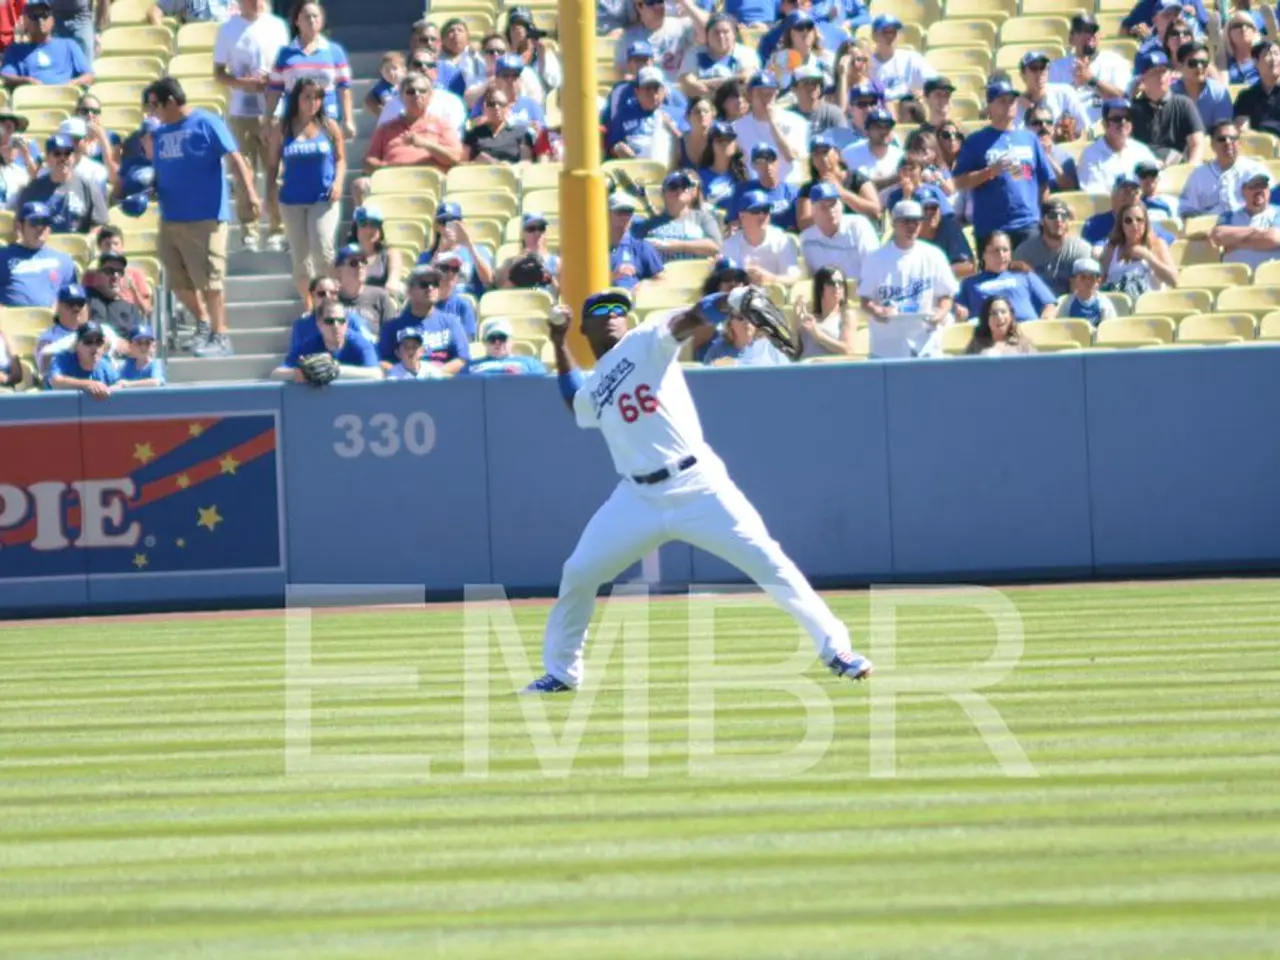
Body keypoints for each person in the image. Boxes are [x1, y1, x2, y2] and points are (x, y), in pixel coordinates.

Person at [523, 287, 874, 693]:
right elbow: (574, 402)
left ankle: (837, 650)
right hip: (637, 498)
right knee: (579, 572)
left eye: (620, 307)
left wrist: (731, 300)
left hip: (697, 483)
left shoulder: (645, 341)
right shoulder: (596, 385)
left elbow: (689, 318)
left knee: (768, 560)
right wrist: (556, 340)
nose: (614, 313)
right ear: (585, 327)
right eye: (602, 308)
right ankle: (563, 672)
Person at [150, 77, 261, 358]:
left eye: (155, 105)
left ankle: (221, 336)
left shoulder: (206, 122)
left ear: (171, 101)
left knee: (210, 280)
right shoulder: (161, 133)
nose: (152, 111)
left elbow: (235, 158)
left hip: (206, 217)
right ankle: (203, 324)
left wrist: (250, 193)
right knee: (178, 281)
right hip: (171, 217)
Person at [214, 0, 291, 252]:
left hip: (275, 110)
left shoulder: (277, 26)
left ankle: (277, 228)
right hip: (241, 110)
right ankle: (249, 229)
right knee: (243, 171)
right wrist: (242, 83)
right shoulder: (228, 29)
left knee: (275, 172)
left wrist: (272, 79)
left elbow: (288, 66)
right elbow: (219, 72)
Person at [267, 76, 344, 308]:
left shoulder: (329, 126)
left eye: (318, 97)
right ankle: (309, 305)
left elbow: (340, 159)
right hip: (292, 199)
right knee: (301, 258)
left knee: (323, 248)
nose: (313, 102)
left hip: (323, 197)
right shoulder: (284, 128)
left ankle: (331, 300)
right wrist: (269, 195)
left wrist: (338, 182)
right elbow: (272, 164)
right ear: (297, 99)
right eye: (307, 97)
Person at [952, 80, 1053, 250]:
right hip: (991, 227)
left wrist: (1041, 215)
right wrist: (989, 172)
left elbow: (1043, 181)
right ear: (990, 106)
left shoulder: (1030, 139)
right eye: (1002, 101)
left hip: (1027, 224)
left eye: (1012, 100)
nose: (1008, 105)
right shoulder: (976, 141)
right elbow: (959, 182)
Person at [858, 200, 958, 358]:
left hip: (926, 345)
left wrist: (940, 313)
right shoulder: (875, 258)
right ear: (894, 223)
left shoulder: (934, 255)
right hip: (887, 347)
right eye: (906, 222)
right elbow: (865, 299)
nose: (912, 227)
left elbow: (946, 295)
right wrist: (877, 311)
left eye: (916, 222)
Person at [267, 1, 355, 139]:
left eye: (315, 16)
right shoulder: (285, 54)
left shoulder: (335, 51)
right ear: (297, 21)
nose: (312, 20)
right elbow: (275, 90)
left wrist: (348, 120)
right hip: (294, 122)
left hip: (327, 120)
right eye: (307, 16)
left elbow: (344, 89)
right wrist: (267, 121)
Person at [361, 73, 464, 186]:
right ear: (401, 97)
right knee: (361, 184)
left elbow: (455, 158)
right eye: (411, 92)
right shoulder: (386, 128)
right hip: (394, 181)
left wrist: (426, 145)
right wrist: (389, 168)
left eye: (422, 91)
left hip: (429, 181)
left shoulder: (442, 125)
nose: (416, 95)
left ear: (430, 96)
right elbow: (368, 162)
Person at [377, 265, 469, 374]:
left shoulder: (451, 322)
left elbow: (462, 359)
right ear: (409, 291)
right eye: (424, 284)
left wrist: (432, 374)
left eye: (434, 284)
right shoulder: (392, 327)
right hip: (405, 385)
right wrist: (407, 374)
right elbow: (382, 362)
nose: (430, 288)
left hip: (442, 384)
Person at [956, 231, 1058, 322]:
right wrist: (961, 313)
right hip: (988, 336)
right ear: (983, 254)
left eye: (1005, 250)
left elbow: (1050, 304)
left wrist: (1045, 320)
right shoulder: (969, 283)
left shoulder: (1024, 275)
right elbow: (959, 311)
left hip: (1026, 331)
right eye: (996, 250)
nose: (1001, 255)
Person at [1049, 14, 1132, 125]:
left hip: (1105, 132)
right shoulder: (1056, 67)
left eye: (1093, 31)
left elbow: (1124, 98)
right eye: (1084, 31)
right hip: (1070, 135)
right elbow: (1050, 104)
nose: (1090, 35)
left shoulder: (1114, 62)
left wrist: (1092, 80)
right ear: (1071, 38)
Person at [17, 132, 107, 235]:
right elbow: (20, 225)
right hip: (42, 246)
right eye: (57, 153)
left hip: (77, 248)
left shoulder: (89, 186)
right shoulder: (32, 189)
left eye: (67, 153)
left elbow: (100, 223)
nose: (63, 158)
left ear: (73, 157)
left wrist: (89, 240)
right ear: (47, 158)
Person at [274, 298, 382, 381]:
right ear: (319, 324)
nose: (336, 326)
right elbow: (276, 374)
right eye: (330, 321)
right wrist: (300, 373)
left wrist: (335, 370)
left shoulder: (359, 343)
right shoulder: (309, 345)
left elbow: (376, 374)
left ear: (346, 323)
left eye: (341, 321)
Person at [1129, 51, 1206, 164]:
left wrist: (1190, 169)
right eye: (1155, 72)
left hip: (1177, 169)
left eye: (1164, 71)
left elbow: (1197, 143)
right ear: (1142, 78)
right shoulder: (1134, 109)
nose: (1161, 76)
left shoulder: (1183, 104)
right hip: (1144, 171)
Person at [732, 71, 808, 185]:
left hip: (788, 185)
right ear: (750, 96)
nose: (764, 99)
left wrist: (772, 123)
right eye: (760, 94)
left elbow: (791, 156)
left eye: (769, 94)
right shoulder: (737, 127)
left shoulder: (796, 121)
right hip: (756, 187)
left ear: (776, 94)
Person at [1180, 119, 1268, 216]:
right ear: (1212, 145)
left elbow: (1271, 207)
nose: (1228, 142)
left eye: (1232, 138)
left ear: (1239, 143)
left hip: (1249, 226)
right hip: (1210, 228)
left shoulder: (1255, 170)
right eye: (1222, 139)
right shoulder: (1199, 175)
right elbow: (1186, 209)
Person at [0, 201, 77, 306]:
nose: (40, 228)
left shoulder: (64, 260)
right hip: (12, 320)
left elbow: (73, 299)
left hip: (52, 320)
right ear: (20, 226)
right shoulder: (3, 256)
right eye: (34, 223)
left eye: (45, 223)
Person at [1, 1, 93, 89]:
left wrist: (71, 84)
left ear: (52, 20)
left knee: (89, 102)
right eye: (34, 16)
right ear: (25, 22)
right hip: (31, 100)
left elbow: (88, 76)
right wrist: (25, 81)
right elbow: (6, 77)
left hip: (65, 98)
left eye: (45, 15)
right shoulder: (15, 50)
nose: (40, 20)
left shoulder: (69, 45)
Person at [1077, 98, 1160, 195]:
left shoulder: (1140, 149)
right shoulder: (1090, 155)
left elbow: (1158, 179)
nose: (1123, 122)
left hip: (1145, 205)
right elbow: (1095, 196)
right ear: (1104, 124)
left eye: (1128, 118)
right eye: (1117, 119)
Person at [1014, 199, 1094, 298]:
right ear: (1042, 221)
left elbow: (1086, 290)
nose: (1059, 220)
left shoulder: (1082, 250)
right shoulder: (1024, 252)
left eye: (1064, 216)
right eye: (1052, 215)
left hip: (1069, 307)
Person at [1099, 199, 1180, 295]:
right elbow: (1101, 281)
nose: (1134, 224)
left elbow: (1174, 281)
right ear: (1121, 224)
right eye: (1128, 220)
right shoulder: (1111, 248)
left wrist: (1149, 257)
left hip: (1149, 306)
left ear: (1146, 223)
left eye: (1139, 220)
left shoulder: (1157, 245)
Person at [796, 134, 879, 227]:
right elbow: (803, 223)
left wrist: (842, 193)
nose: (822, 158)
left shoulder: (856, 178)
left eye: (825, 152)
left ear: (836, 154)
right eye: (816, 154)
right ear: (812, 160)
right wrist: (826, 214)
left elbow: (875, 211)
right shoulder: (808, 189)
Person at [799, 180, 877, 277]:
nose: (831, 210)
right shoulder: (806, 241)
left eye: (833, 204)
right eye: (824, 207)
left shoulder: (859, 227)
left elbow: (874, 267)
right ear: (813, 212)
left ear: (841, 206)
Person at [721, 188, 800, 284]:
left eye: (766, 210)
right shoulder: (730, 244)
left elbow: (793, 278)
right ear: (742, 216)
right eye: (756, 211)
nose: (762, 215)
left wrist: (770, 279)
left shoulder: (782, 241)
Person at [615, 0, 700, 87]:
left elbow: (710, 32)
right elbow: (621, 74)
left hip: (681, 93)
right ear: (639, 7)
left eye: (660, 1)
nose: (658, 6)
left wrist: (685, 3)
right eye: (651, 2)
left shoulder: (682, 26)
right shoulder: (628, 38)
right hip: (647, 94)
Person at [678, 11, 759, 99]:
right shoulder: (694, 53)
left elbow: (745, 79)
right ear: (707, 35)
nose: (721, 36)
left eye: (725, 32)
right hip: (703, 104)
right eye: (716, 32)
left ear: (734, 34)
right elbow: (688, 84)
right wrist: (730, 82)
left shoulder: (746, 53)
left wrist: (705, 83)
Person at [1083, 173, 1178, 247]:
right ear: (1113, 194)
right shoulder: (1094, 224)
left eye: (1133, 192)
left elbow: (1171, 240)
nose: (1128, 197)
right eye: (1123, 191)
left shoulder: (1147, 223)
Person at [1210, 169, 1280, 270]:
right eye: (1253, 187)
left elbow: (1273, 238)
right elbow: (1218, 235)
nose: (1259, 191)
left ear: (1268, 191)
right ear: (1243, 191)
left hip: (1269, 279)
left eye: (1263, 186)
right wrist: (1257, 231)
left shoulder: (1278, 212)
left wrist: (1234, 242)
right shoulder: (1229, 215)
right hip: (1233, 278)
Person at [606, 65, 679, 161]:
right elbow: (612, 145)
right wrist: (618, 149)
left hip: (667, 169)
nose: (653, 94)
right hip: (634, 168)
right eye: (648, 89)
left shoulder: (675, 114)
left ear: (664, 91)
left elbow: (688, 150)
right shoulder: (624, 115)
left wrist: (674, 132)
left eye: (656, 88)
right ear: (637, 92)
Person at [1015, 51, 1089, 138]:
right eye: (1034, 68)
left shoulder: (1065, 92)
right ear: (1022, 74)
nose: (1040, 73)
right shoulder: (1015, 106)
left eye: (1043, 67)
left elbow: (1085, 127)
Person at [867, 13, 934, 104]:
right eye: (886, 32)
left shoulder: (911, 58)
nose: (890, 36)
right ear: (874, 36)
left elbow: (935, 83)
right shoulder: (866, 64)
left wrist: (923, 92)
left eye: (894, 32)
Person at [727, 142, 798, 227]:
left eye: (771, 159)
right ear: (753, 165)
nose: (767, 165)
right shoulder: (742, 191)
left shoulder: (793, 191)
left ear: (778, 162)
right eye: (761, 161)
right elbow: (733, 223)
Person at [83, 230, 153, 314]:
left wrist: (133, 289)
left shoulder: (135, 274)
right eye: (107, 244)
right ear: (99, 247)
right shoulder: (91, 275)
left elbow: (146, 309)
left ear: (122, 247)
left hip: (127, 318)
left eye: (116, 244)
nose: (112, 248)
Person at [333, 242, 396, 333]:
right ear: (338, 272)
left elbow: (391, 335)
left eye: (363, 261)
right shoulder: (331, 298)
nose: (360, 266)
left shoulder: (380, 296)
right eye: (353, 263)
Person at [795, 264, 856, 357]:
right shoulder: (809, 316)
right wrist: (795, 323)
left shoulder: (846, 315)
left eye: (840, 283)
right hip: (805, 368)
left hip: (830, 369)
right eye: (831, 283)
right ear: (820, 288)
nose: (837, 287)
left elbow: (847, 350)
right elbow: (795, 352)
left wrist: (818, 336)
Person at [915, 185, 974, 278]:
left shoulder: (948, 226)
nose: (930, 213)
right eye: (925, 209)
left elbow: (968, 267)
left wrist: (932, 273)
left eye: (933, 208)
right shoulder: (906, 231)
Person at [608, 192, 664, 289]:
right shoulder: (592, 247)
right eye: (620, 212)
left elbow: (661, 281)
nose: (625, 217)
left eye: (628, 212)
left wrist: (643, 286)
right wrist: (612, 277)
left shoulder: (642, 247)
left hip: (634, 301)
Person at [45, 321, 117, 397]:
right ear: (77, 345)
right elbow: (55, 381)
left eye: (99, 341)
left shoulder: (104, 364)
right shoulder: (63, 359)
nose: (95, 347)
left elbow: (119, 384)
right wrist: (88, 384)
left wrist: (118, 386)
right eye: (88, 341)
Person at [840, 106, 901, 195]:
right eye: (878, 127)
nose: (883, 131)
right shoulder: (849, 153)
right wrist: (892, 180)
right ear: (866, 131)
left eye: (887, 127)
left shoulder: (900, 155)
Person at [701, 306, 790, 365]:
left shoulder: (772, 347)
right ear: (730, 323)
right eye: (741, 318)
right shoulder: (717, 350)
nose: (747, 322)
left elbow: (785, 378)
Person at [464, 88, 535, 163]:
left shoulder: (521, 134)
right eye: (491, 104)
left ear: (508, 108)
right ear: (484, 108)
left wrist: (497, 164)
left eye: (501, 104)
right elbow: (463, 163)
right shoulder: (474, 135)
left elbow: (526, 164)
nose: (497, 107)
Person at [1174, 41, 1233, 130]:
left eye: (1204, 63)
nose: (1199, 67)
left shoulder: (1219, 93)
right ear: (1180, 66)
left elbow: (1223, 130)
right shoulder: (1171, 94)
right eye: (1193, 63)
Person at [462, 317, 548, 376]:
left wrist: (523, 377)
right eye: (492, 338)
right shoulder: (471, 366)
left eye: (502, 338)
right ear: (485, 342)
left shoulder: (530, 363)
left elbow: (542, 386)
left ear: (511, 341)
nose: (497, 342)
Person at [345, 205, 401, 296]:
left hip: (382, 300)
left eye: (374, 224)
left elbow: (393, 281)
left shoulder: (390, 254)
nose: (369, 230)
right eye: (363, 223)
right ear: (355, 228)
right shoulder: (346, 255)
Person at [87, 253, 148, 332]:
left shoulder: (131, 309)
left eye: (120, 272)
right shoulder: (85, 300)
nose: (115, 276)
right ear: (99, 274)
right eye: (109, 271)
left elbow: (137, 341)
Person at [963, 296, 1037, 356]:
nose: (999, 317)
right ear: (986, 319)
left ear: (1011, 316)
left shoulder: (1023, 344)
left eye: (1003, 312)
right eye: (994, 313)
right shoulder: (976, 344)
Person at [430, 250, 478, 339]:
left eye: (455, 269)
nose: (450, 273)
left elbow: (467, 343)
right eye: (445, 269)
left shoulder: (463, 307)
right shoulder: (420, 305)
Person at [1059, 257, 1117, 326]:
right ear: (1073, 280)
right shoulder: (1067, 303)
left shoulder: (1104, 304)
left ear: (1098, 281)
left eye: (1092, 277)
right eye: (1083, 277)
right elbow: (1061, 328)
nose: (1088, 281)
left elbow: (1109, 328)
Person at [0, 108, 38, 206]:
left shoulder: (29, 146)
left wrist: (25, 154)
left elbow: (36, 177)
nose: (4, 131)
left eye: (8, 127)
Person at [364, 51, 405, 118]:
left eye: (394, 68)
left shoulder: (408, 84)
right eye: (387, 70)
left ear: (404, 71)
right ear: (381, 72)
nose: (391, 73)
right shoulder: (382, 86)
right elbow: (387, 101)